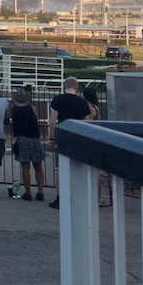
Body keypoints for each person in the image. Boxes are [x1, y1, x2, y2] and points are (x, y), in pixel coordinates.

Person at [48, 76, 92, 210]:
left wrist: (52, 136)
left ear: (64, 86)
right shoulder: (83, 102)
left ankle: (60, 198)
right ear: (76, 87)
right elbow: (87, 121)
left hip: (63, 135)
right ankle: (77, 198)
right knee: (77, 167)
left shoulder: (58, 99)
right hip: (77, 136)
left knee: (60, 168)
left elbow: (52, 120)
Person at [11, 89, 45, 202]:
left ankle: (28, 192)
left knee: (25, 167)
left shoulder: (14, 109)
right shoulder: (32, 108)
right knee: (38, 167)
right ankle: (40, 192)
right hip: (34, 138)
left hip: (22, 139)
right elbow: (36, 120)